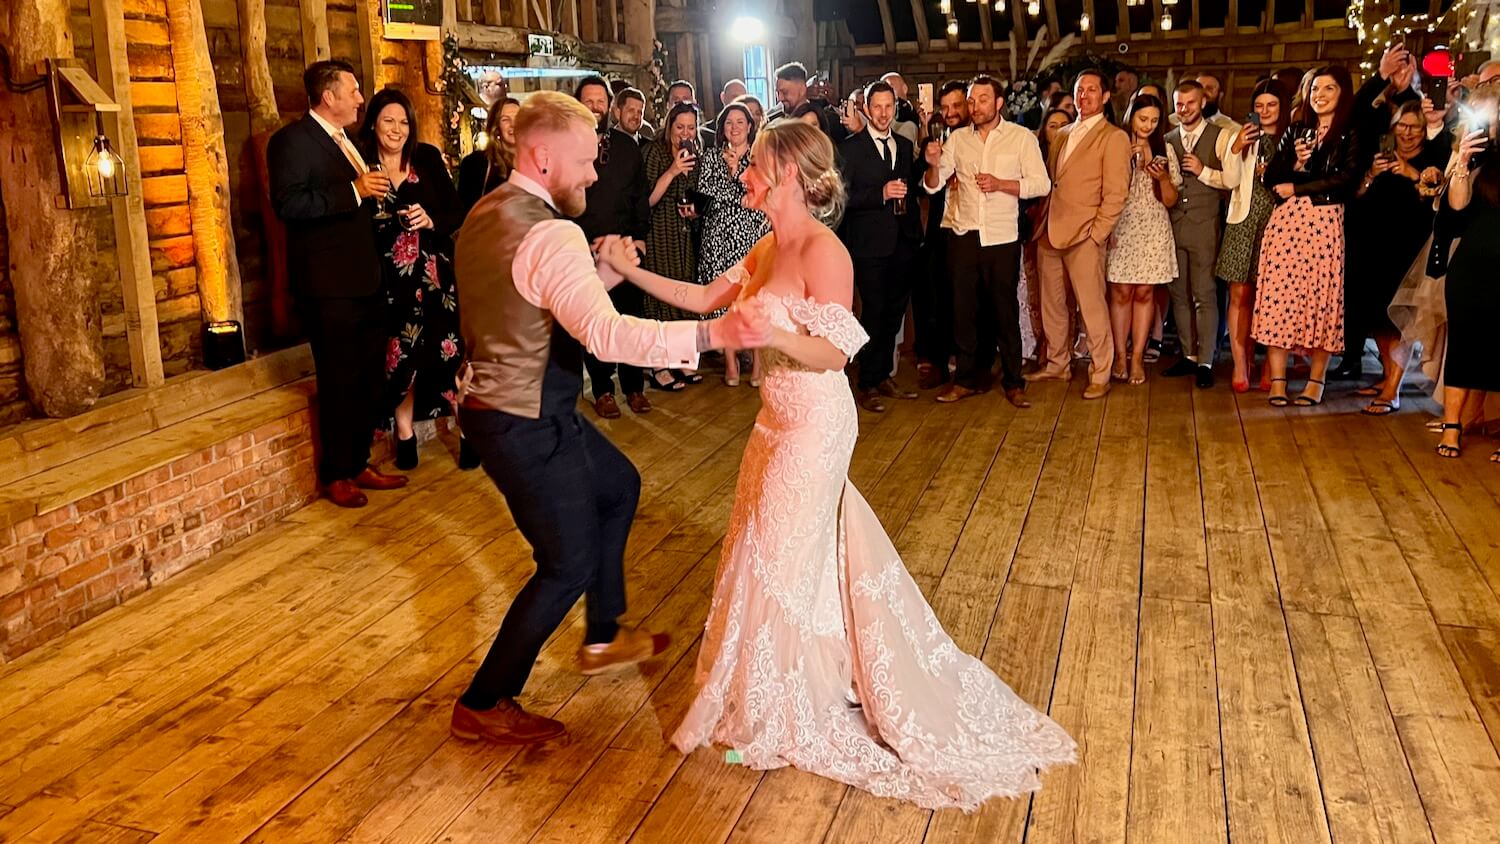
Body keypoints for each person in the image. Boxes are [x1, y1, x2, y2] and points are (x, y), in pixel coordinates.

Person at [596, 119, 1076, 811]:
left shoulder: (826, 251)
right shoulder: (765, 244)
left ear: (789, 173)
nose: (747, 174)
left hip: (816, 426)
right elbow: (704, 300)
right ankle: (769, 688)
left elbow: (839, 351)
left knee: (782, 558)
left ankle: (796, 702)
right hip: (771, 423)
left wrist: (776, 331)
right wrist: (630, 270)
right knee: (762, 551)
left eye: (757, 164)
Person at [449, 91, 773, 745]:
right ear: (543, 157)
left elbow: (533, 297)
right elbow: (603, 338)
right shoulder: (551, 231)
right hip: (524, 418)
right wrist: (710, 337)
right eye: (587, 163)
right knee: (566, 563)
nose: (596, 177)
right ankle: (485, 700)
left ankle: (602, 633)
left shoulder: (489, 211)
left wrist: (601, 271)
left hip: (513, 407)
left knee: (618, 485)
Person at [268, 60, 407, 508]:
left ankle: (358, 460)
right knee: (339, 380)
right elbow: (289, 204)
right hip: (328, 286)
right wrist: (354, 191)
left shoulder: (349, 140)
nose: (361, 98)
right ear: (328, 97)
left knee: (368, 378)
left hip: (366, 278)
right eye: (353, 90)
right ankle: (336, 473)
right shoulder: (291, 141)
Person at [356, 89, 475, 471]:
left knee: (449, 357)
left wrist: (431, 220)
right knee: (401, 363)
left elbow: (456, 210)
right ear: (373, 122)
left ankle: (467, 431)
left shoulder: (425, 157)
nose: (397, 129)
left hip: (433, 277)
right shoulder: (359, 162)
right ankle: (404, 435)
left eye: (404, 122)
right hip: (387, 283)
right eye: (389, 121)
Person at [923, 75, 1051, 407]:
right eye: (971, 100)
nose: (974, 106)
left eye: (982, 100)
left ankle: (1013, 380)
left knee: (1003, 310)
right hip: (964, 234)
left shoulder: (1021, 138)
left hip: (1002, 236)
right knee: (963, 310)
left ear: (998, 103)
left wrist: (1001, 184)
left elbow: (1041, 184)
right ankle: (964, 379)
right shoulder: (957, 140)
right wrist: (934, 166)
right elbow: (933, 186)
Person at [1252, 65, 1361, 407]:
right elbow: (1270, 177)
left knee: (1320, 300)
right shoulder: (1296, 129)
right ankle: (1279, 381)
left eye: (1328, 89)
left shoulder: (1349, 132)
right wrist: (1296, 164)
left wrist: (1299, 186)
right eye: (1315, 89)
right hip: (1287, 222)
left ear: (1342, 93)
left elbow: (1346, 179)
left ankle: (1316, 382)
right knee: (1279, 298)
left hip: (1325, 221)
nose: (1320, 95)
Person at [1030, 69, 1132, 399]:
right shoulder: (1061, 134)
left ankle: (1100, 370)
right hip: (1051, 229)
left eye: (1091, 90)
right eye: (1078, 90)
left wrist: (1097, 234)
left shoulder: (1114, 137)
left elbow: (1117, 193)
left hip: (1085, 233)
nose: (1083, 95)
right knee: (1053, 304)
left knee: (1091, 307)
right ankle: (1058, 364)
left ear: (1104, 97)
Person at [1346, 100, 1449, 415]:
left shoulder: (1432, 157)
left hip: (1408, 247)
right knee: (1376, 316)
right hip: (1373, 243)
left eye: (1414, 127)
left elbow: (1435, 194)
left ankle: (1393, 390)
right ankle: (1388, 376)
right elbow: (1357, 195)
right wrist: (1370, 174)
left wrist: (1410, 173)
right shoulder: (1379, 155)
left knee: (1399, 318)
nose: (1407, 133)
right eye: (1401, 126)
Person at [838, 80, 924, 412]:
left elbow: (912, 187)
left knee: (893, 314)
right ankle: (867, 382)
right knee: (872, 313)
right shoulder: (850, 148)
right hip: (868, 244)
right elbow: (841, 197)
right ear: (866, 108)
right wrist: (880, 195)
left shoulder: (903, 145)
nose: (884, 113)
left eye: (889, 107)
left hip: (902, 241)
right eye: (877, 107)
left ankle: (883, 374)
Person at [571, 76, 653, 419]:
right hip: (585, 248)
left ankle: (635, 387)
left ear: (609, 105)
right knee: (596, 321)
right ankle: (603, 389)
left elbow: (639, 195)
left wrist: (639, 236)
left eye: (600, 101)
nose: (595, 106)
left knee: (631, 319)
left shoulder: (626, 147)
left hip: (624, 247)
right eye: (588, 100)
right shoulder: (568, 146)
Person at [1432, 88, 1497, 460]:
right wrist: (1461, 162)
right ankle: (1452, 425)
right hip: (1472, 266)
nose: (1484, 124)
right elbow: (1456, 214)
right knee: (1464, 344)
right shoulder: (1473, 156)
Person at [1163, 80, 1237, 389]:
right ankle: (1189, 355)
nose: (1184, 109)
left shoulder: (1222, 136)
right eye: (1179, 104)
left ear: (1203, 102)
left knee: (1204, 293)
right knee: (1178, 293)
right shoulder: (1167, 138)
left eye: (1190, 103)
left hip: (1206, 224)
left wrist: (1203, 170)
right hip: (1173, 222)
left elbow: (1232, 179)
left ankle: (1207, 360)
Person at [1217, 79, 1288, 392]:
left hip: (1280, 219)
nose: (1265, 111)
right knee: (1240, 293)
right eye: (1259, 106)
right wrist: (1237, 147)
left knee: (1271, 296)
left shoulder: (1293, 136)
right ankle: (1240, 360)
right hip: (1244, 219)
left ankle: (1271, 362)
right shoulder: (1241, 136)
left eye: (1271, 105)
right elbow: (1229, 179)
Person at [1106, 94, 1180, 385]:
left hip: (1153, 225)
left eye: (1153, 120)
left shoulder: (1165, 149)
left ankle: (1137, 357)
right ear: (1130, 117)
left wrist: (1160, 177)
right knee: (1121, 292)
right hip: (1121, 223)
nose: (1147, 125)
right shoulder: (1116, 144)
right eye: (1142, 119)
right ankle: (1118, 355)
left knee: (1145, 293)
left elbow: (1171, 200)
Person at [697, 101, 770, 386]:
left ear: (750, 126)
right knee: (726, 299)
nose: (735, 127)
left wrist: (736, 173)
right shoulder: (712, 156)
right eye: (729, 122)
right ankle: (730, 363)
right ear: (722, 128)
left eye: (740, 122)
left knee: (753, 297)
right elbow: (707, 189)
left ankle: (758, 364)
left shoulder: (759, 156)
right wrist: (734, 186)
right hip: (719, 235)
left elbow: (760, 188)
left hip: (751, 234)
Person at [912, 80, 971, 390]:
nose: (950, 112)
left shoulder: (978, 138)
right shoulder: (936, 136)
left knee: (964, 296)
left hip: (971, 225)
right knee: (934, 291)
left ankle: (962, 358)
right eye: (945, 107)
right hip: (937, 224)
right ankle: (934, 359)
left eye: (956, 106)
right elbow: (922, 179)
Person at [457, 96, 519, 216]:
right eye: (505, 120)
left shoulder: (537, 161)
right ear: (496, 127)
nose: (513, 124)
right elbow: (467, 214)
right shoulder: (476, 163)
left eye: (518, 118)